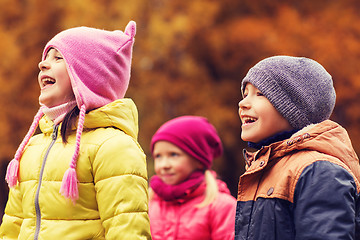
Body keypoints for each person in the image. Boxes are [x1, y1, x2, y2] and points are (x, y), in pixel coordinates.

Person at [0, 21, 151, 239]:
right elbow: (13, 225)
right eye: (45, 57)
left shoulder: (113, 146)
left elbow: (127, 229)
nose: (42, 64)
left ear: (88, 77)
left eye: (57, 58)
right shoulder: (31, 147)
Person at [236, 55, 360, 240]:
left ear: (294, 109)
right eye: (245, 94)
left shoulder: (318, 171)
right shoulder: (265, 168)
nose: (243, 103)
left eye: (260, 94)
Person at [148, 115, 236, 240]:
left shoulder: (222, 207)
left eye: (174, 155)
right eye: (158, 156)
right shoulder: (149, 204)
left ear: (199, 160)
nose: (164, 165)